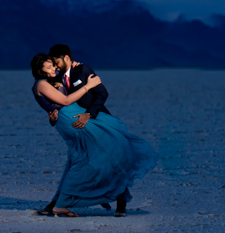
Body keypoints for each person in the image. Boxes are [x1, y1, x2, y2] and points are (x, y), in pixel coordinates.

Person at [31, 52, 157, 217]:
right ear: (40, 71)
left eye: (53, 64)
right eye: (49, 67)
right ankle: (62, 204)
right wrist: (88, 86)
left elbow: (56, 102)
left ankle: (59, 202)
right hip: (72, 118)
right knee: (99, 154)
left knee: (87, 156)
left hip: (75, 115)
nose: (54, 68)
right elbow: (66, 101)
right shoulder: (41, 84)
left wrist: (72, 68)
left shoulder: (54, 79)